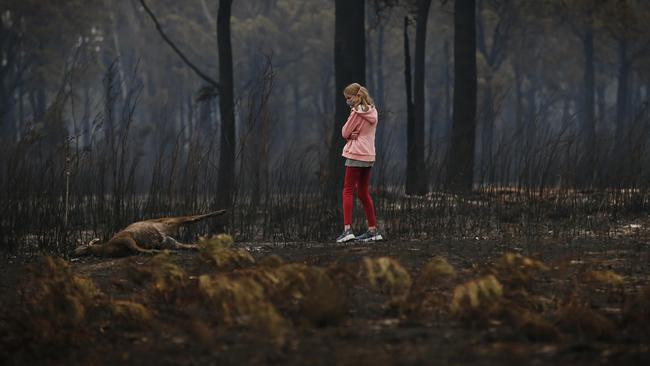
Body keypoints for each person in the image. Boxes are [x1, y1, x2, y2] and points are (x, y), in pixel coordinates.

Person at [336, 83, 383, 243]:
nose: (348, 101)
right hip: (369, 155)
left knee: (347, 190)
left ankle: (347, 229)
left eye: (349, 98)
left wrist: (351, 136)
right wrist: (354, 134)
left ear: (357, 96)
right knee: (363, 192)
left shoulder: (356, 112)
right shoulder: (374, 110)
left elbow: (344, 132)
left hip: (356, 154)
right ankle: (373, 230)